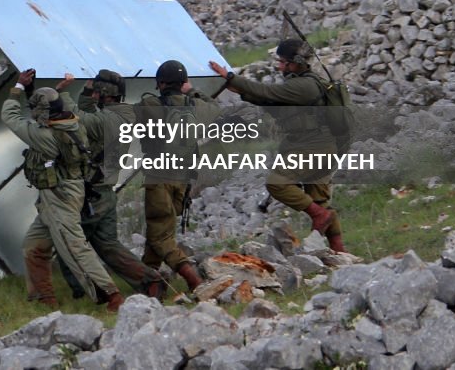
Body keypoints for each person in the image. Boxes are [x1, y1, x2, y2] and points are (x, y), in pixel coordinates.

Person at [1, 69, 125, 311]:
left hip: (61, 195)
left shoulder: (46, 136)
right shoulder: (72, 123)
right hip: (58, 194)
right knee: (33, 245)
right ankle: (43, 299)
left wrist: (17, 87)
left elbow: (9, 115)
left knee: (74, 246)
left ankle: (112, 296)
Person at [208, 40, 346, 252]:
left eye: (283, 62)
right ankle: (340, 253)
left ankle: (320, 217)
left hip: (313, 146)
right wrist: (240, 90)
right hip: (322, 146)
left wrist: (230, 77)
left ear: (296, 63)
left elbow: (268, 92)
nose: (280, 67)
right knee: (319, 200)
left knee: (277, 184)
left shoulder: (304, 86)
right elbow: (272, 101)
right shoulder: (304, 83)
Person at [54, 70, 168, 301]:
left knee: (70, 243)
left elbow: (77, 119)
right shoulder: (121, 114)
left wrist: (60, 94)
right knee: (108, 246)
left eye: (97, 90)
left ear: (104, 94)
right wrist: (87, 92)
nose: (94, 94)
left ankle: (86, 292)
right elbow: (88, 113)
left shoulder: (107, 121)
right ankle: (150, 280)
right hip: (104, 191)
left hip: (92, 195)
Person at [133, 60, 220, 292]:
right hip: (183, 179)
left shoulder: (149, 104)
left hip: (158, 177)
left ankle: (194, 281)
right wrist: (191, 90)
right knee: (160, 232)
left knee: (160, 235)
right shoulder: (198, 107)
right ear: (183, 83)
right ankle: (148, 286)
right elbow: (215, 106)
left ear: (160, 83)